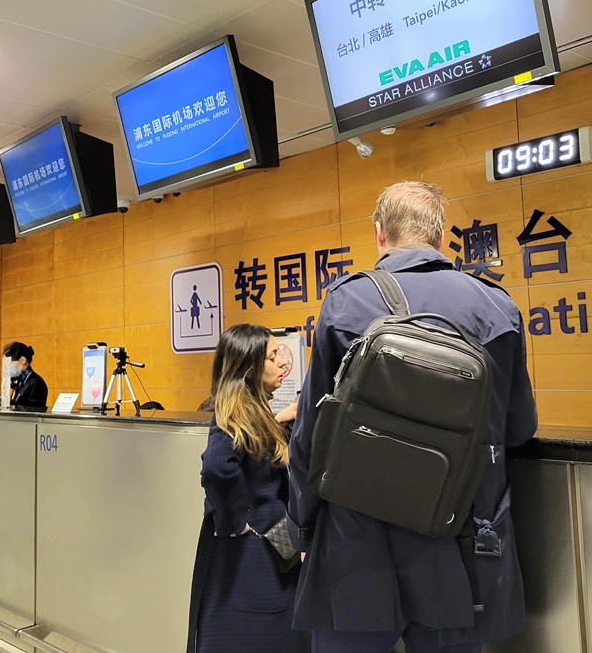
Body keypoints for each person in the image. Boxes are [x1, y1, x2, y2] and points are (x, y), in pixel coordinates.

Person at [288, 181, 539, 653]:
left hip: (354, 543)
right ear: (441, 239)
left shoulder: (346, 303)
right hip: (459, 543)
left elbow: (311, 436)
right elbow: (519, 428)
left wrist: (301, 526)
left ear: (380, 234)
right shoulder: (496, 306)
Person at [186, 324, 309, 653]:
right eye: (273, 356)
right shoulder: (233, 411)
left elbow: (250, 447)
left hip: (264, 553)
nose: (282, 361)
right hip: (251, 556)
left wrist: (280, 420)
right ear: (252, 370)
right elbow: (216, 467)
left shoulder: (251, 409)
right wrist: (237, 522)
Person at [2, 341, 48, 413]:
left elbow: (33, 409)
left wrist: (10, 404)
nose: (8, 367)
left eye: (10, 363)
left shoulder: (36, 382)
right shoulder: (18, 381)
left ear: (23, 360)